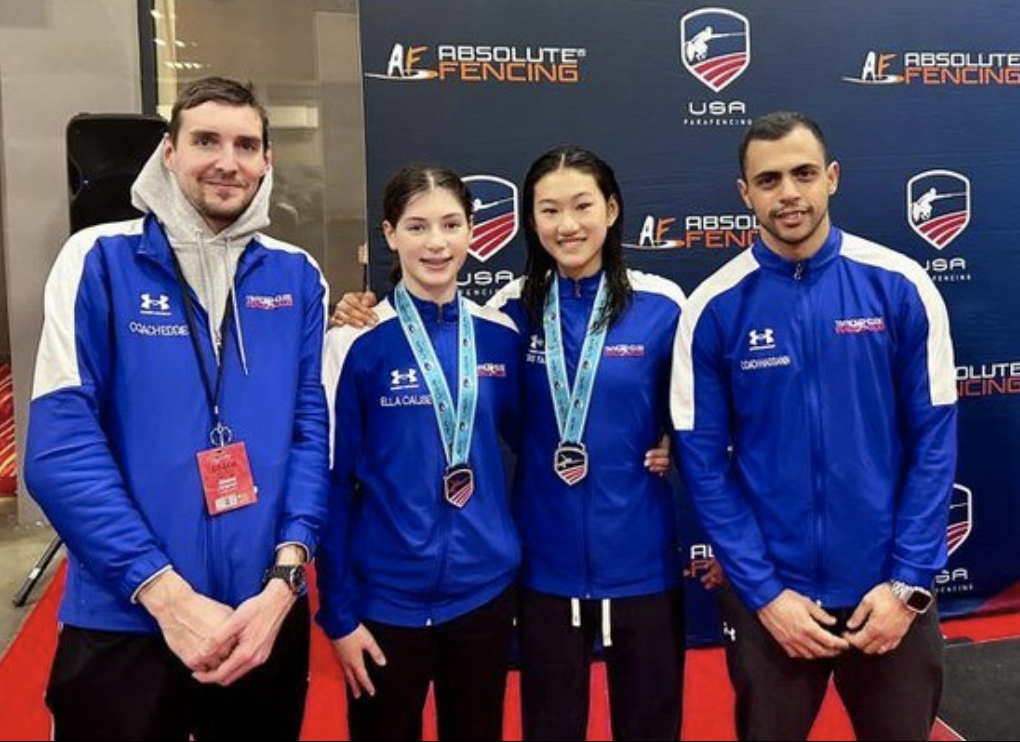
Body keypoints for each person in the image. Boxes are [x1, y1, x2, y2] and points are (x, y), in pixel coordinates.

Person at [334, 146, 686, 741]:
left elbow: (701, 407)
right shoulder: (509, 315)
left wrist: (675, 439)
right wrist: (355, 313)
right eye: (549, 210)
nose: (567, 224)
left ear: (613, 209)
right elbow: (507, 420)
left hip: (639, 559)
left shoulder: (663, 305)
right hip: (539, 566)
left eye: (581, 206)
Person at [24, 76, 330, 741]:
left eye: (247, 144)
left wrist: (284, 583)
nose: (228, 160)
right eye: (206, 140)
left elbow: (310, 435)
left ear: (267, 161)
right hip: (126, 617)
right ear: (168, 153)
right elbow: (59, 452)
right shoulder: (97, 261)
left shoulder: (297, 275)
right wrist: (164, 593)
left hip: (258, 622)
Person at [672, 111, 957, 741]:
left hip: (887, 598)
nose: (789, 194)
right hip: (776, 603)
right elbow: (702, 463)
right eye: (768, 180)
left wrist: (907, 584)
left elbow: (934, 443)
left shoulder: (901, 285)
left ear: (831, 177)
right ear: (745, 194)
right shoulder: (714, 307)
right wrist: (765, 594)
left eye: (803, 174)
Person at [316, 164, 522, 741]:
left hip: (482, 594)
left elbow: (536, 442)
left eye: (451, 224)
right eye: (417, 226)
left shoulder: (499, 335)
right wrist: (339, 613)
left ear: (471, 232)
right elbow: (332, 484)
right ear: (389, 234)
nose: (436, 243)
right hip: (383, 601)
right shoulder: (353, 342)